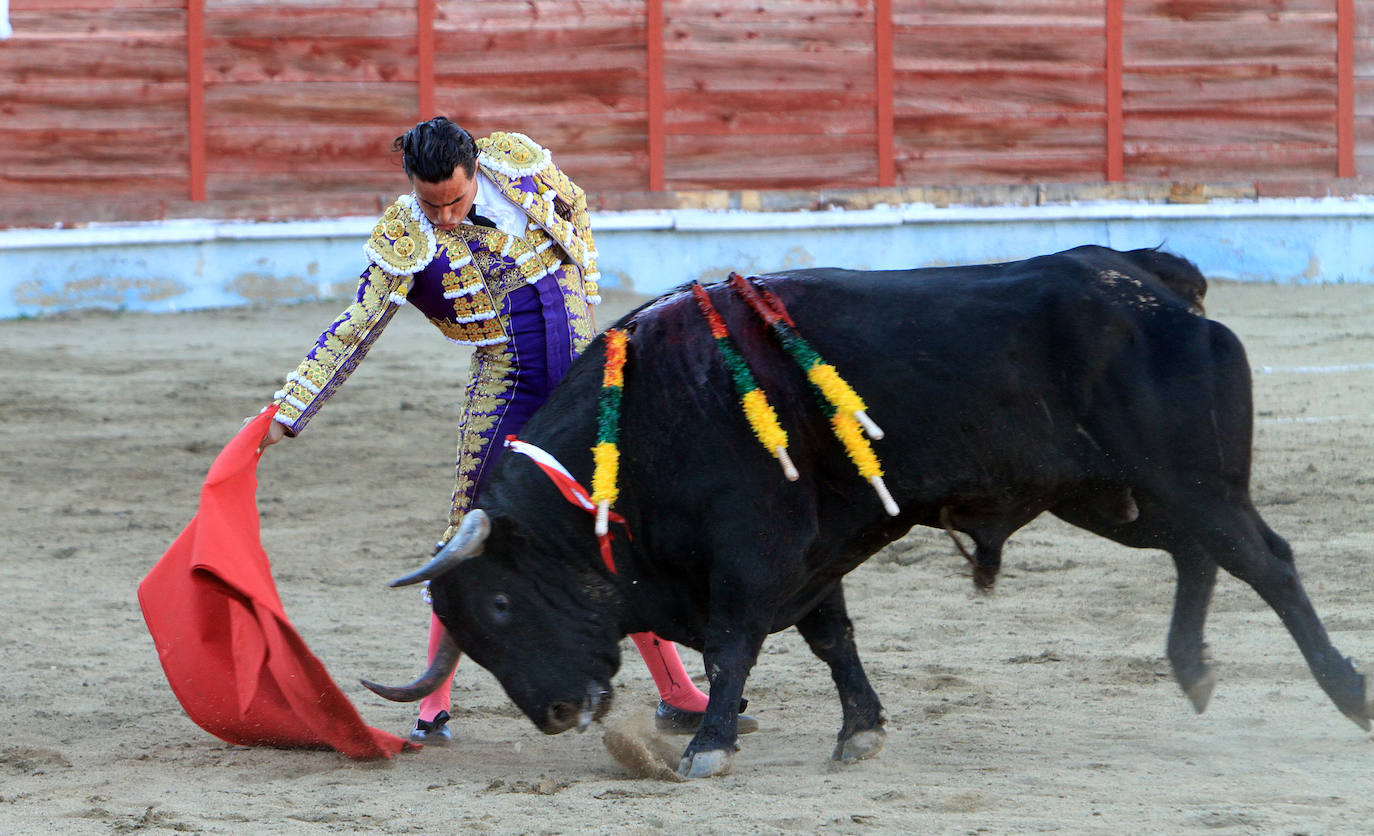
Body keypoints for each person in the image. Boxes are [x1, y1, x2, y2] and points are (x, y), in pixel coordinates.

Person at [257, 116, 755, 743]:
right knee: (471, 535)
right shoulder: (402, 237)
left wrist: (585, 303)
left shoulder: (518, 164)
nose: (441, 218)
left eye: (455, 201)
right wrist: (288, 411)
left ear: (476, 172)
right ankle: (432, 703)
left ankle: (677, 693)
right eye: (427, 202)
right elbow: (355, 329)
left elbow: (574, 208)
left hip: (582, 382)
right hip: (507, 393)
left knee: (615, 525)